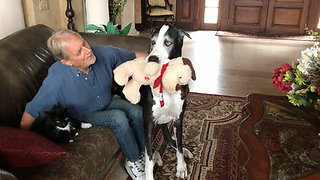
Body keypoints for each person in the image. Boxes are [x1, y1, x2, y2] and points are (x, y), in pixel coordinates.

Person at [20, 29, 148, 180]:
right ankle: (133, 161)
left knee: (136, 111)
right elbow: (31, 112)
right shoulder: (56, 80)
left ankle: (145, 153)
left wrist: (161, 64)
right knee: (118, 118)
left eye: (84, 43)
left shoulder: (104, 52)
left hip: (107, 99)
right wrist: (24, 148)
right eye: (79, 51)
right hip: (83, 112)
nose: (88, 51)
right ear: (67, 62)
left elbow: (135, 56)